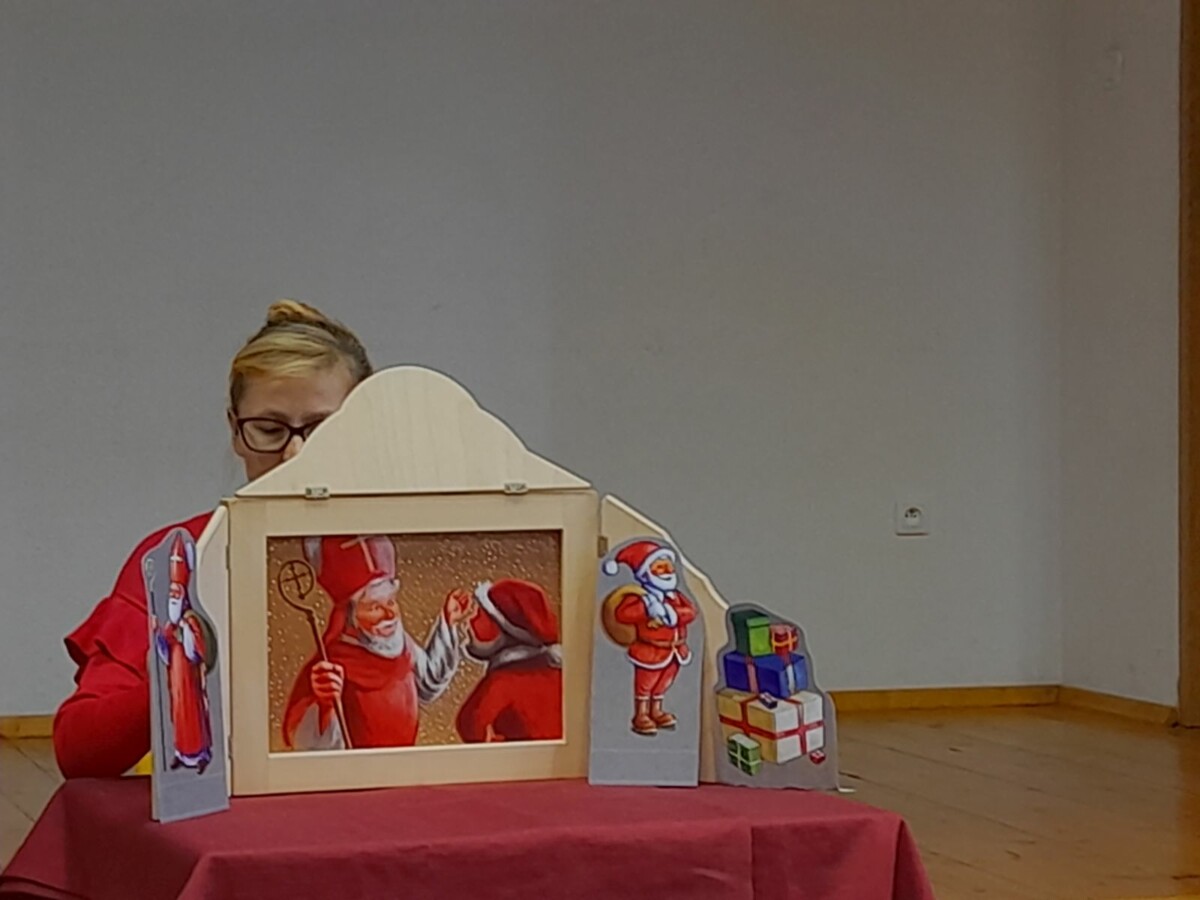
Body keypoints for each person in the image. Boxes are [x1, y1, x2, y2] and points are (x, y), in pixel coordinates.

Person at [53, 300, 373, 778]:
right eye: (269, 429)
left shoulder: (420, 545)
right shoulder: (182, 558)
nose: (294, 454)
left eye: (323, 430)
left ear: (365, 430)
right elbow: (79, 750)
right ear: (236, 431)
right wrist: (180, 671)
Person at [281, 535, 474, 750]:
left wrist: (448, 621)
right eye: (375, 607)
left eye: (391, 601)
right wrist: (325, 706)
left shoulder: (399, 644)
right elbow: (308, 746)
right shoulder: (332, 665)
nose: (390, 614)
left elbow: (429, 681)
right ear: (350, 617)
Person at [604, 540, 698, 736]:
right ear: (645, 574)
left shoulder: (675, 597)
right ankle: (641, 714)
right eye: (659, 568)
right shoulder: (641, 598)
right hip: (651, 650)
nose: (667, 572)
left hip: (675, 649)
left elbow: (690, 612)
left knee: (665, 681)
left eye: (669, 567)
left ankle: (656, 711)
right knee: (646, 683)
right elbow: (623, 614)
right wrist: (647, 608)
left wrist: (670, 612)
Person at [455, 579, 563, 743]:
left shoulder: (501, 681)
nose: (470, 622)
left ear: (505, 628)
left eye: (479, 614)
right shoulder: (560, 676)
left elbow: (469, 725)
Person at [152, 532, 214, 772]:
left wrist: (187, 633)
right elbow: (165, 653)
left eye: (176, 595)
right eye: (171, 595)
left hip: (190, 681)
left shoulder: (190, 621)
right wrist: (158, 634)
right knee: (178, 716)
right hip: (176, 682)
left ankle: (200, 754)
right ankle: (181, 752)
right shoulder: (171, 624)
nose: (173, 599)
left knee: (194, 717)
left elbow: (197, 651)